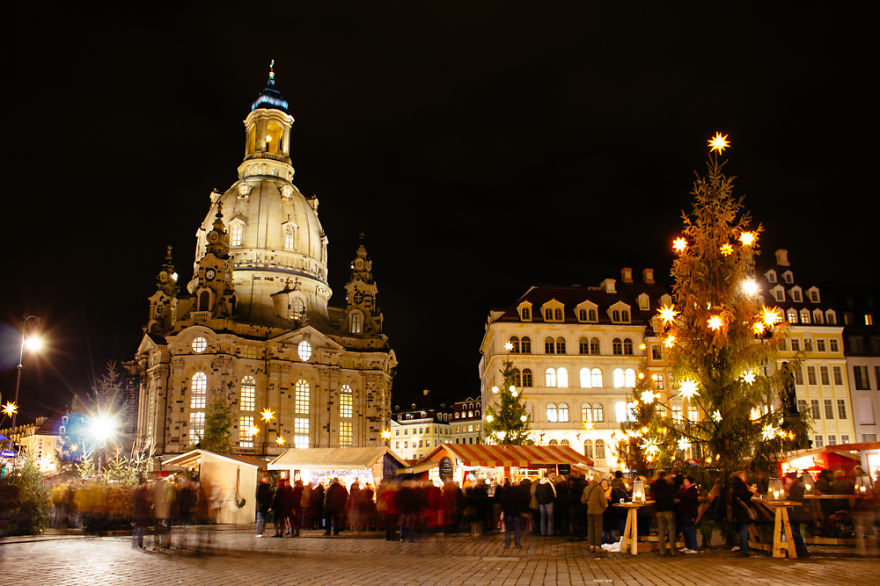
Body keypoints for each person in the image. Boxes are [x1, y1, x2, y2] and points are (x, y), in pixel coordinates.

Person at [731, 470, 757, 556]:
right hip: (742, 511)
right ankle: (744, 550)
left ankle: (743, 548)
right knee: (744, 529)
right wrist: (750, 492)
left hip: (739, 511)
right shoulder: (739, 485)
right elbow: (743, 496)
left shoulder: (735, 484)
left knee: (743, 529)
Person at [785, 472, 810, 558]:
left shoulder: (797, 487)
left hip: (795, 512)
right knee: (794, 531)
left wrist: (788, 495)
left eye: (788, 478)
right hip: (793, 512)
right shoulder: (792, 486)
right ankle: (798, 550)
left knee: (794, 531)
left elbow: (797, 499)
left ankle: (801, 550)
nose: (786, 480)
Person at [652, 471, 677, 556]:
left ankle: (662, 550)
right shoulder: (668, 485)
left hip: (659, 510)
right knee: (671, 531)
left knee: (661, 531)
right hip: (669, 509)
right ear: (665, 476)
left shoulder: (655, 486)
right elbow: (673, 493)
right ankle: (673, 550)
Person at [582, 474, 607, 556]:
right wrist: (603, 508)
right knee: (598, 529)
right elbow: (603, 501)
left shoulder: (587, 488)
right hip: (598, 512)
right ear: (598, 481)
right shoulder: (599, 489)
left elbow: (582, 500)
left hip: (589, 511)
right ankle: (597, 546)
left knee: (590, 528)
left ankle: (591, 545)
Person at [500, 479, 524, 548]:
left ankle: (507, 544)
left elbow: (503, 501)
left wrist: (503, 509)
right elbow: (522, 502)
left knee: (508, 529)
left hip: (508, 513)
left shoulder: (506, 492)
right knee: (517, 528)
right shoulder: (519, 493)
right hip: (517, 512)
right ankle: (517, 544)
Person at [678, 476, 699, 554]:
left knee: (690, 529)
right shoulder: (686, 490)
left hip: (689, 513)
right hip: (685, 513)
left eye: (685, 481)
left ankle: (693, 547)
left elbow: (691, 503)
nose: (684, 483)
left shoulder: (691, 491)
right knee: (685, 530)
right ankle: (688, 546)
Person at [131, 476, 152, 550]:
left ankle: (134, 543)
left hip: (137, 512)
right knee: (141, 528)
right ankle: (140, 544)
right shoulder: (142, 491)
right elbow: (144, 503)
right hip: (142, 513)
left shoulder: (136, 490)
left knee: (137, 528)